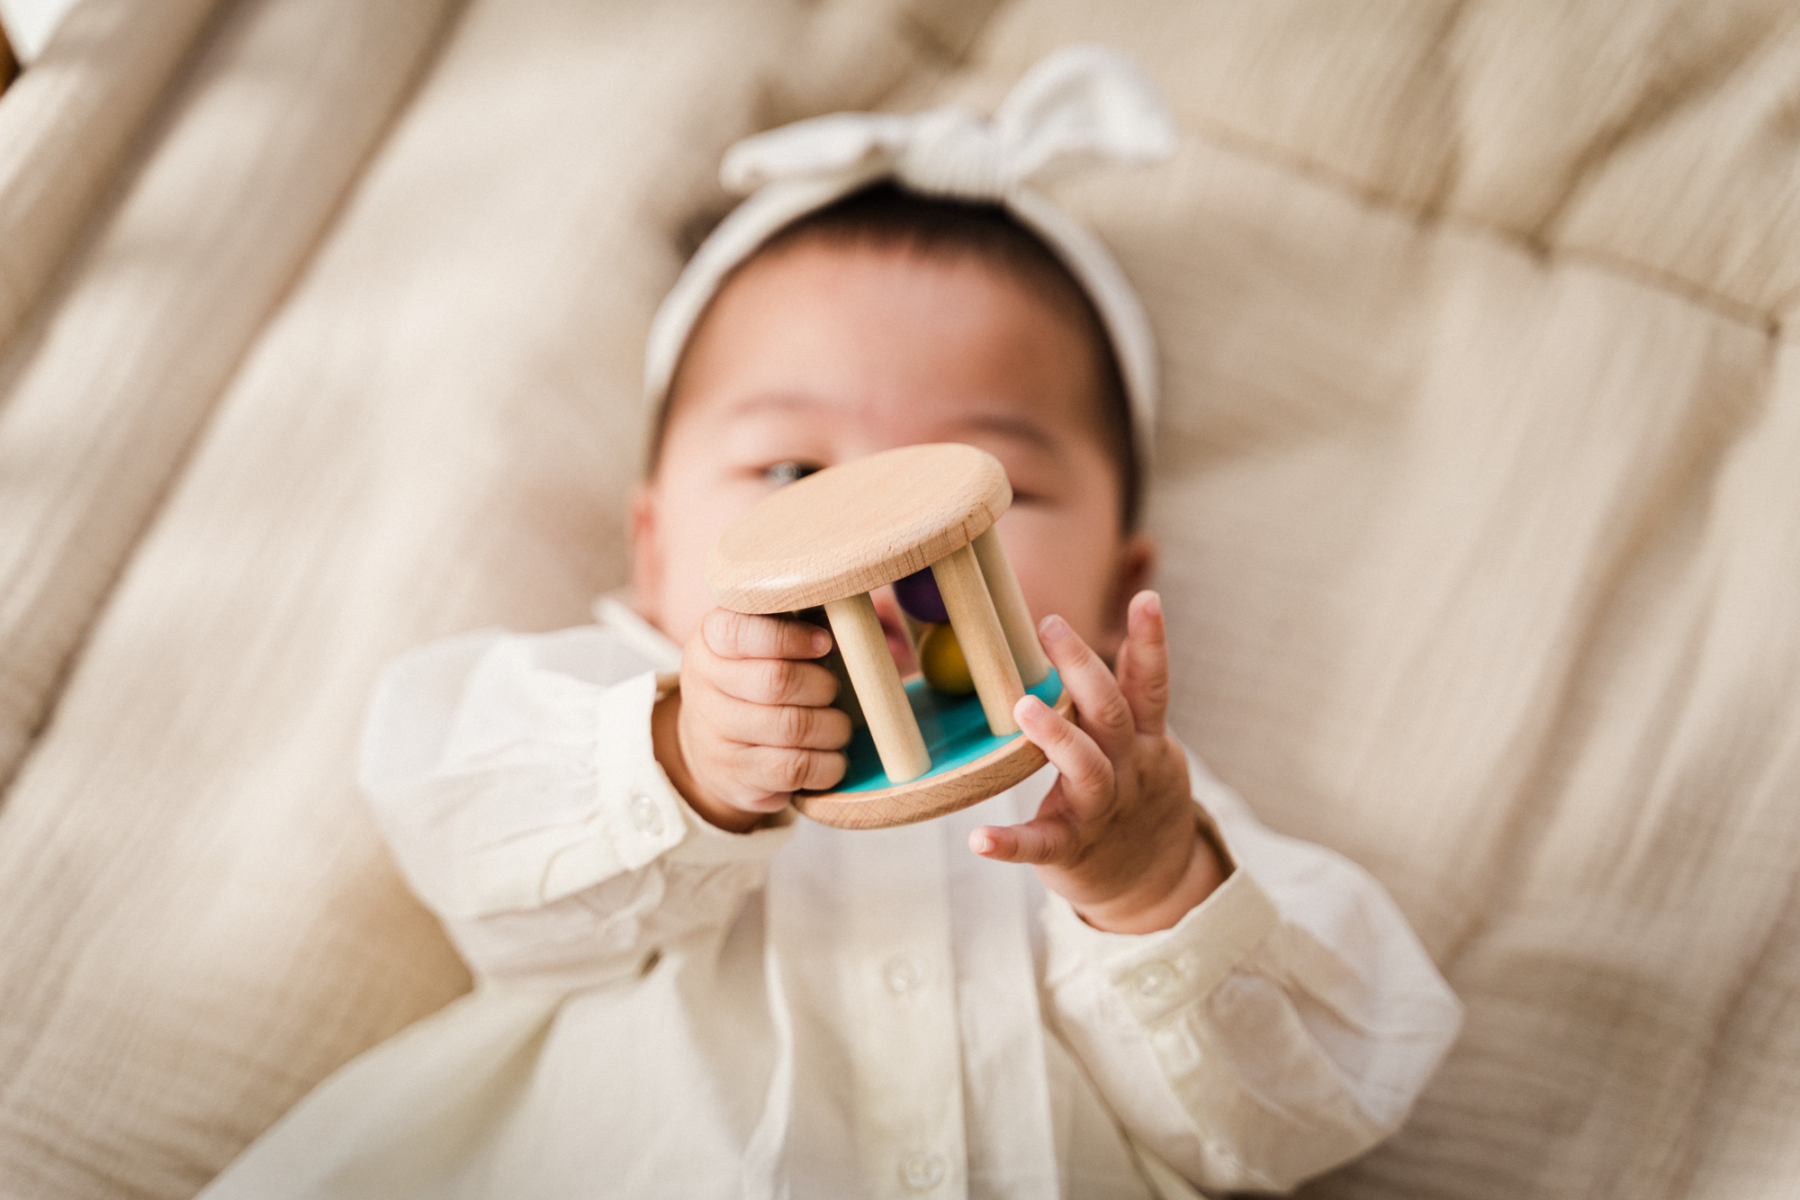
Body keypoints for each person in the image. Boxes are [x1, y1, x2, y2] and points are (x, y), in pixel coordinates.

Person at [202, 46, 1460, 1200]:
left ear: (1122, 570)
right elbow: (451, 814)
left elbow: (1302, 1113)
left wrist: (1147, 889)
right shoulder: (603, 711)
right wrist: (688, 761)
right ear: (653, 549)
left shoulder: (1126, 798)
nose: (875, 537)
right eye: (789, 472)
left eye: (985, 484)